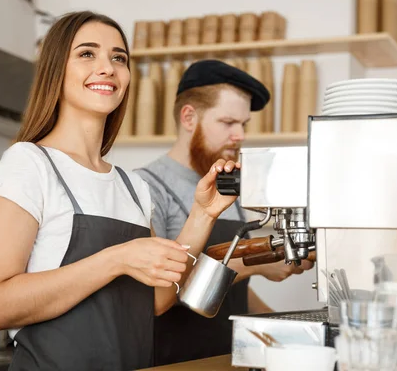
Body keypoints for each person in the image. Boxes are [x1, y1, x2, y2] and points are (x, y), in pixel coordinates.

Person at [0, 12, 240, 371]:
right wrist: (117, 259)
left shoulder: (133, 187)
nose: (108, 68)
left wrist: (202, 215)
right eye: (87, 54)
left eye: (119, 58)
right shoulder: (29, 164)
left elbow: (157, 301)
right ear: (56, 70)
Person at [135, 59, 315, 366]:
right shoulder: (146, 187)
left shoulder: (226, 185)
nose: (240, 135)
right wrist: (255, 266)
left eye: (243, 125)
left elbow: (236, 294)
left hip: (226, 357)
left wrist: (287, 331)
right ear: (189, 117)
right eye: (228, 122)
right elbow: (158, 296)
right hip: (174, 361)